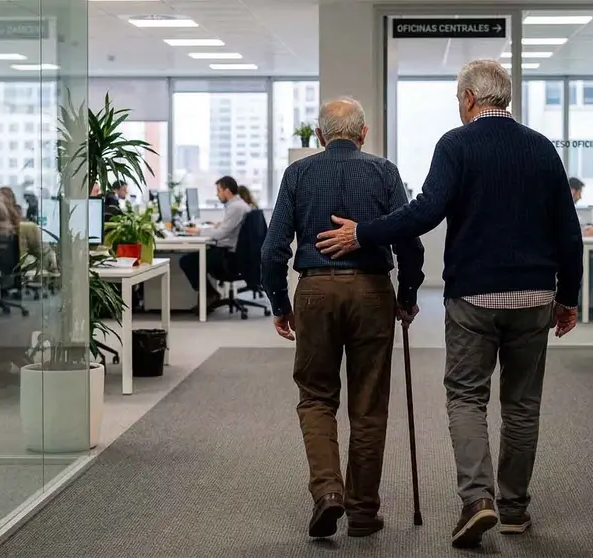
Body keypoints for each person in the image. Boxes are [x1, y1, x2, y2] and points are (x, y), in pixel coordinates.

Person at [316, 59, 583, 548]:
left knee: (467, 397)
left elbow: (426, 211)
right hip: (534, 297)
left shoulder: (456, 144)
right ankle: (516, 510)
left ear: (468, 99)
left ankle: (478, 501)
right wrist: (569, 297)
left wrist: (364, 233)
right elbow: (569, 229)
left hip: (474, 297)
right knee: (522, 404)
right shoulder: (542, 148)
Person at [261, 97, 425, 540]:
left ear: (319, 136)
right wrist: (407, 294)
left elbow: (273, 248)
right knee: (369, 404)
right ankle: (364, 513)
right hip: (372, 293)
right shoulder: (384, 172)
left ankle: (328, 492)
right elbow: (409, 241)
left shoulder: (298, 174)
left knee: (316, 398)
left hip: (315, 293)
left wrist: (280, 304)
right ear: (363, 133)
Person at [178, 176, 251, 311]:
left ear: (227, 191)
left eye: (218, 191)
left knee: (187, 261)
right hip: (232, 253)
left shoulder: (236, 207)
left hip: (229, 257)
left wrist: (198, 231)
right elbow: (226, 229)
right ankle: (210, 294)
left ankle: (210, 294)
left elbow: (221, 234)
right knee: (195, 257)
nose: (217, 194)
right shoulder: (238, 205)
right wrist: (216, 227)